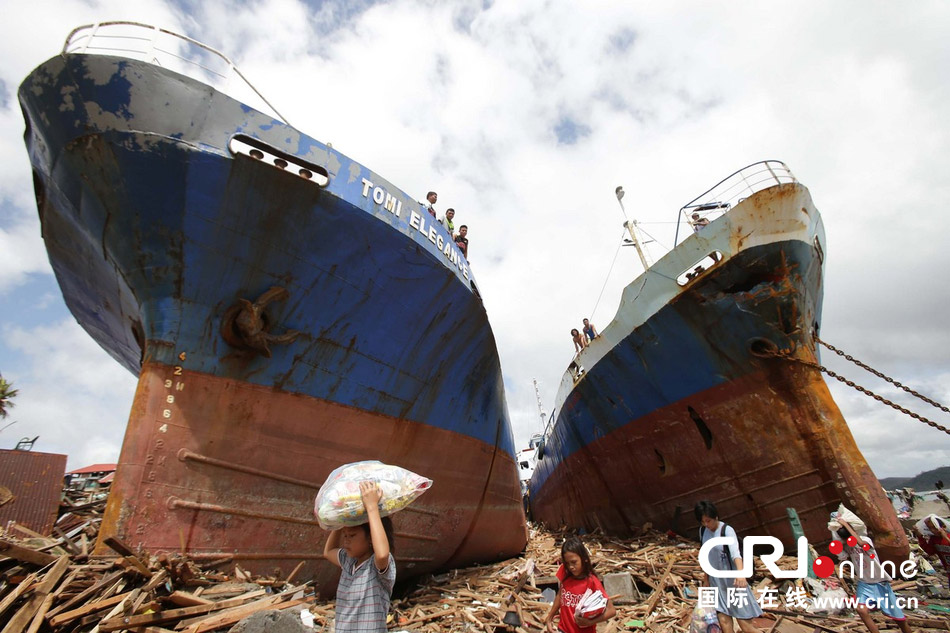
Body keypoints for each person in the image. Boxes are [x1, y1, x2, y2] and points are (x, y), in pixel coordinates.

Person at [323, 481, 396, 633]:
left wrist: (372, 507)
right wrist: (341, 520)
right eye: (345, 535)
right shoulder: (348, 562)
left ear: (370, 539)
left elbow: (382, 554)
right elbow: (328, 552)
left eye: (353, 535)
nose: (346, 540)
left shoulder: (375, 568)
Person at [830, 511, 912, 633]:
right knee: (861, 610)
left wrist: (846, 525)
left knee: (899, 619)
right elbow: (841, 556)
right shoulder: (847, 546)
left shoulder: (865, 540)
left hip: (880, 583)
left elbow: (861, 544)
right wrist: (834, 532)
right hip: (865, 583)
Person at [695, 500, 762, 633]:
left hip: (733, 583)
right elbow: (706, 557)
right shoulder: (703, 531)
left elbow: (735, 554)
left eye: (708, 521)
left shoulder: (726, 530)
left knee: (746, 626)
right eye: (703, 522)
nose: (706, 525)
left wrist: (740, 574)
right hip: (717, 583)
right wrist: (706, 579)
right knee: (725, 623)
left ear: (716, 517)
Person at [543, 536, 615, 633]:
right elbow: (560, 595)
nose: (571, 567)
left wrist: (591, 622)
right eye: (567, 563)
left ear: (584, 559)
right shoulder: (565, 574)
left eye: (574, 562)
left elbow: (611, 611)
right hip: (563, 629)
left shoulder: (591, 581)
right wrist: (549, 618)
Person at [913, 514, 950, 585]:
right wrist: (920, 536)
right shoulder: (934, 539)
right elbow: (930, 551)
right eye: (930, 528)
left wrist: (945, 538)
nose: (933, 531)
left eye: (934, 528)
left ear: (943, 527)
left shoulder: (948, 536)